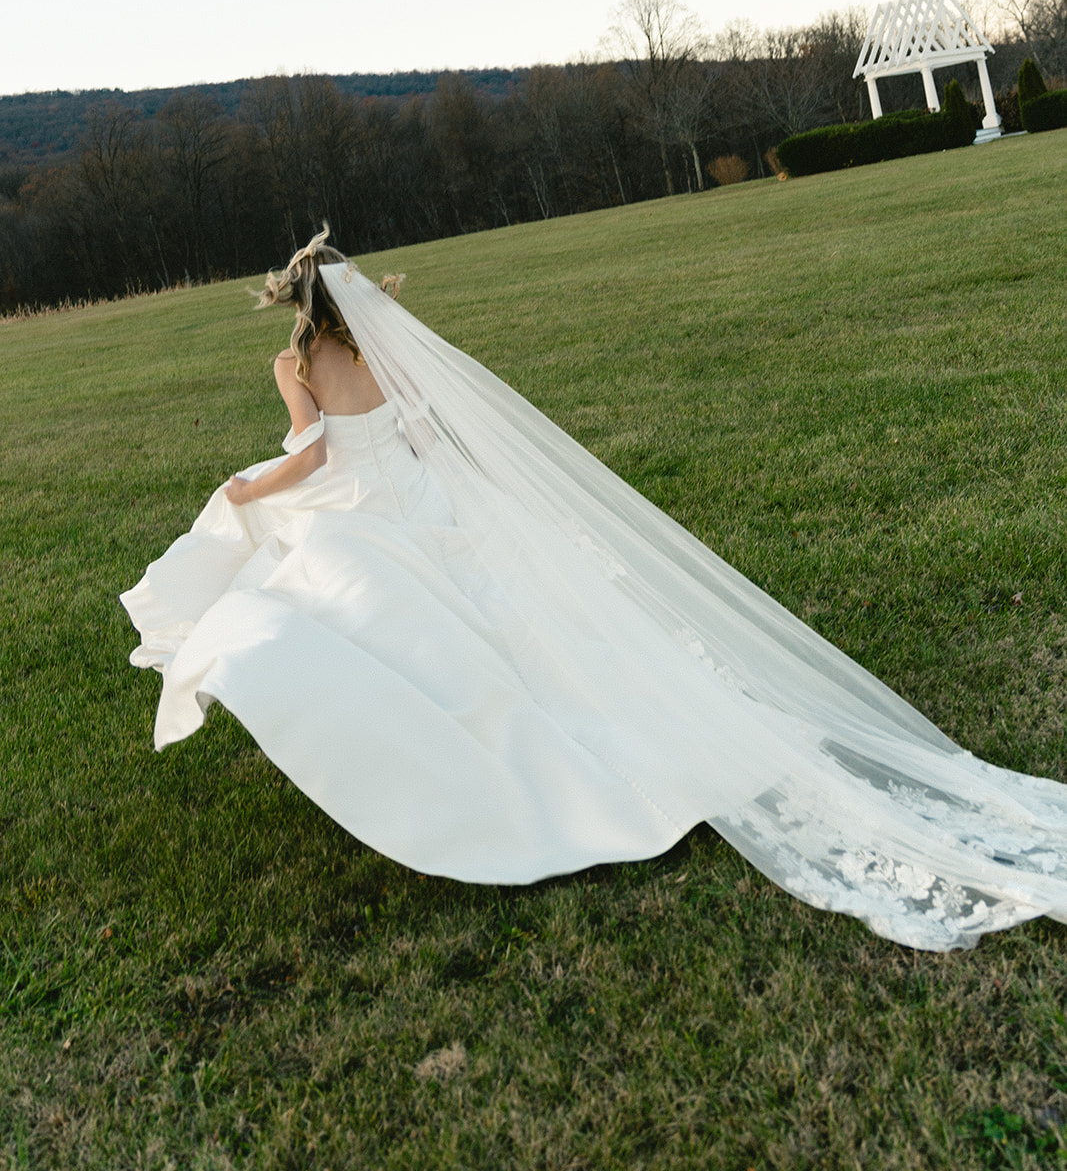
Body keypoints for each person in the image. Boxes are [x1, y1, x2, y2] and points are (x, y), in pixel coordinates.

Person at [122, 230, 1067, 951]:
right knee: (511, 613)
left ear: (293, 306)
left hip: (363, 504)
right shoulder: (380, 351)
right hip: (418, 491)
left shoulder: (296, 366)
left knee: (326, 584)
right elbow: (415, 432)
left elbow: (312, 451)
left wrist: (247, 489)